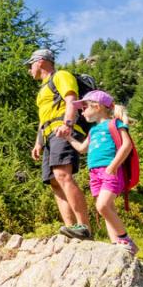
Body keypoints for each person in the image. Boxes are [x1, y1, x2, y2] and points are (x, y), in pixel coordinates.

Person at [25, 48, 92, 240]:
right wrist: (38, 143)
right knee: (54, 182)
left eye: (31, 65)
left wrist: (68, 125)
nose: (30, 70)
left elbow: (72, 101)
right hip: (48, 135)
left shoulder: (61, 76)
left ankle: (84, 228)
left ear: (40, 62)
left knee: (63, 175)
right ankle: (71, 229)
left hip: (62, 131)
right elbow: (43, 119)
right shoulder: (42, 90)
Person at [66, 90, 138, 255]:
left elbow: (127, 145)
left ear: (97, 106)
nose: (82, 111)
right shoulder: (92, 131)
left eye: (84, 107)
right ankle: (117, 245)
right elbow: (82, 149)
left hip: (110, 170)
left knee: (102, 206)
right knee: (107, 209)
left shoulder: (115, 124)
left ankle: (126, 240)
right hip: (94, 174)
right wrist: (69, 138)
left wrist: (113, 166)